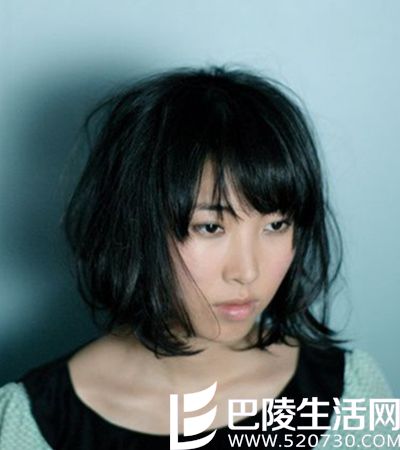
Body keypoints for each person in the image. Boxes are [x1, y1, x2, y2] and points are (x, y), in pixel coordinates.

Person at [0, 67, 394, 450]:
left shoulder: (351, 393)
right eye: (210, 227)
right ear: (135, 226)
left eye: (276, 225)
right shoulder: (34, 422)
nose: (247, 272)